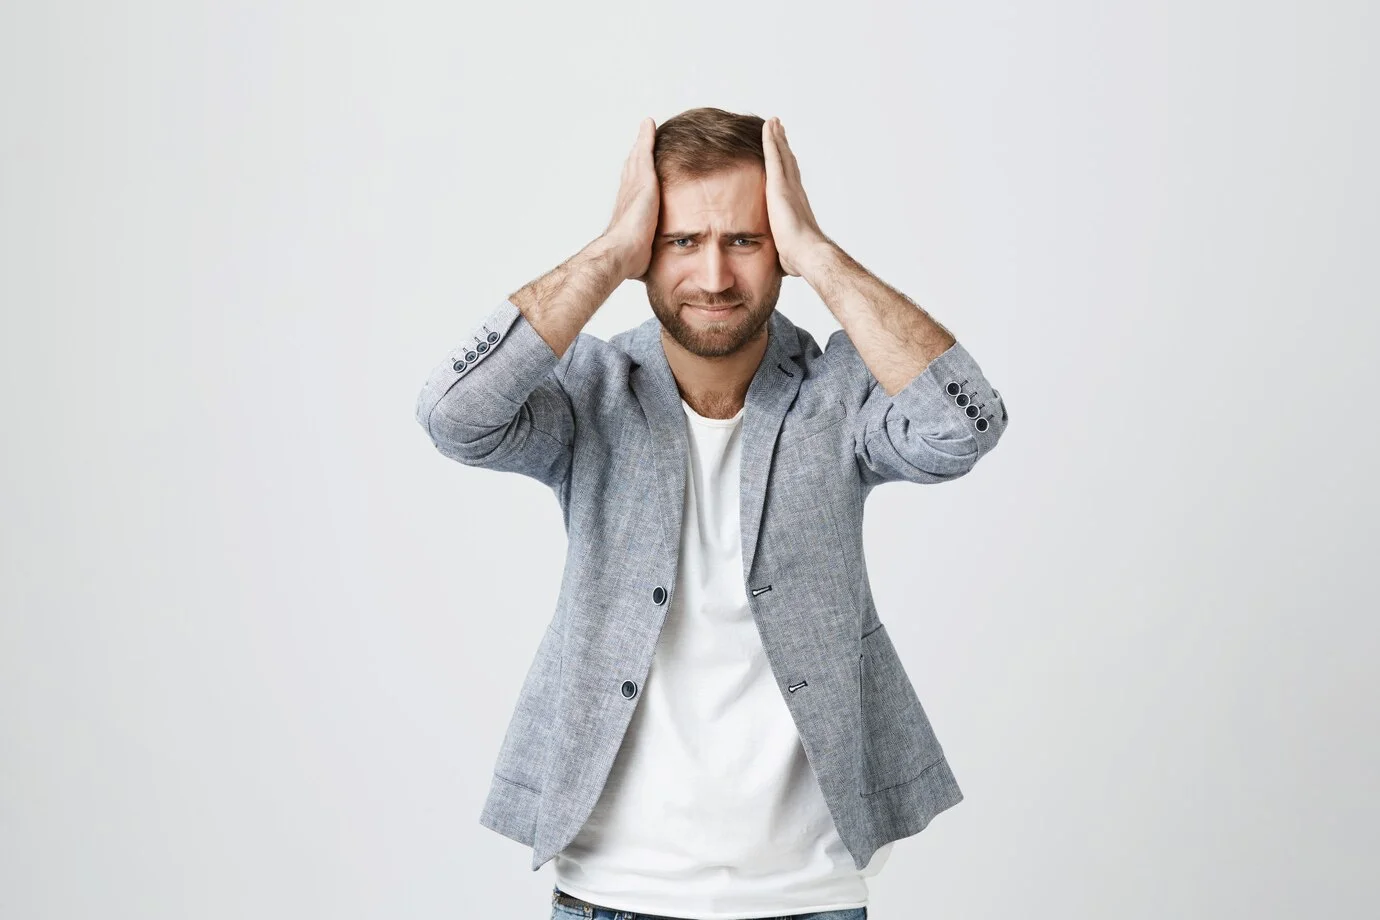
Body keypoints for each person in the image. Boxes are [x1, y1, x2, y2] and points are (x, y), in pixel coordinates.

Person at [414, 107, 1009, 920]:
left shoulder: (837, 392)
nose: (716, 277)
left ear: (780, 250)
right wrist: (606, 254)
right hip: (607, 895)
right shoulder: (593, 393)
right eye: (681, 241)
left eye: (745, 240)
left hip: (809, 897)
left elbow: (964, 427)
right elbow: (454, 417)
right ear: (645, 253)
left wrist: (821, 256)